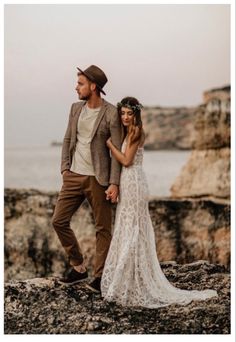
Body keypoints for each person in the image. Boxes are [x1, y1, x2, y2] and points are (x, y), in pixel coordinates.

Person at [101, 96, 218, 308]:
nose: (126, 117)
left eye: (129, 113)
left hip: (135, 181)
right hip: (127, 182)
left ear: (136, 114)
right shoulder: (127, 131)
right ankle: (126, 280)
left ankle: (129, 281)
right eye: (123, 113)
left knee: (134, 229)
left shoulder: (137, 132)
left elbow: (127, 161)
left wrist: (110, 144)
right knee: (126, 227)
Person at [52, 65, 121, 293]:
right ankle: (78, 267)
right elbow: (67, 138)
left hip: (98, 179)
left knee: (103, 228)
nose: (76, 87)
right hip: (73, 175)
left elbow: (117, 151)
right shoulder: (75, 108)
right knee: (58, 221)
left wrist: (114, 183)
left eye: (80, 83)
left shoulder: (112, 113)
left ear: (93, 86)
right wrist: (64, 168)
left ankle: (100, 277)